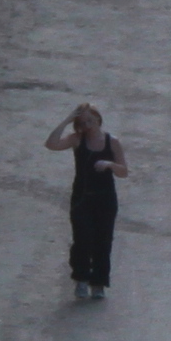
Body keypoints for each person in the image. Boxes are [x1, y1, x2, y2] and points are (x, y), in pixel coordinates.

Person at [46, 103, 129, 299]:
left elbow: (124, 172)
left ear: (98, 120)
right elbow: (51, 144)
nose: (88, 125)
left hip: (106, 198)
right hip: (82, 197)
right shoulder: (77, 140)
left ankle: (99, 283)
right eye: (83, 122)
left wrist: (110, 164)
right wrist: (67, 120)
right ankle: (81, 279)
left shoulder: (112, 142)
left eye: (91, 120)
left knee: (103, 240)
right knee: (82, 240)